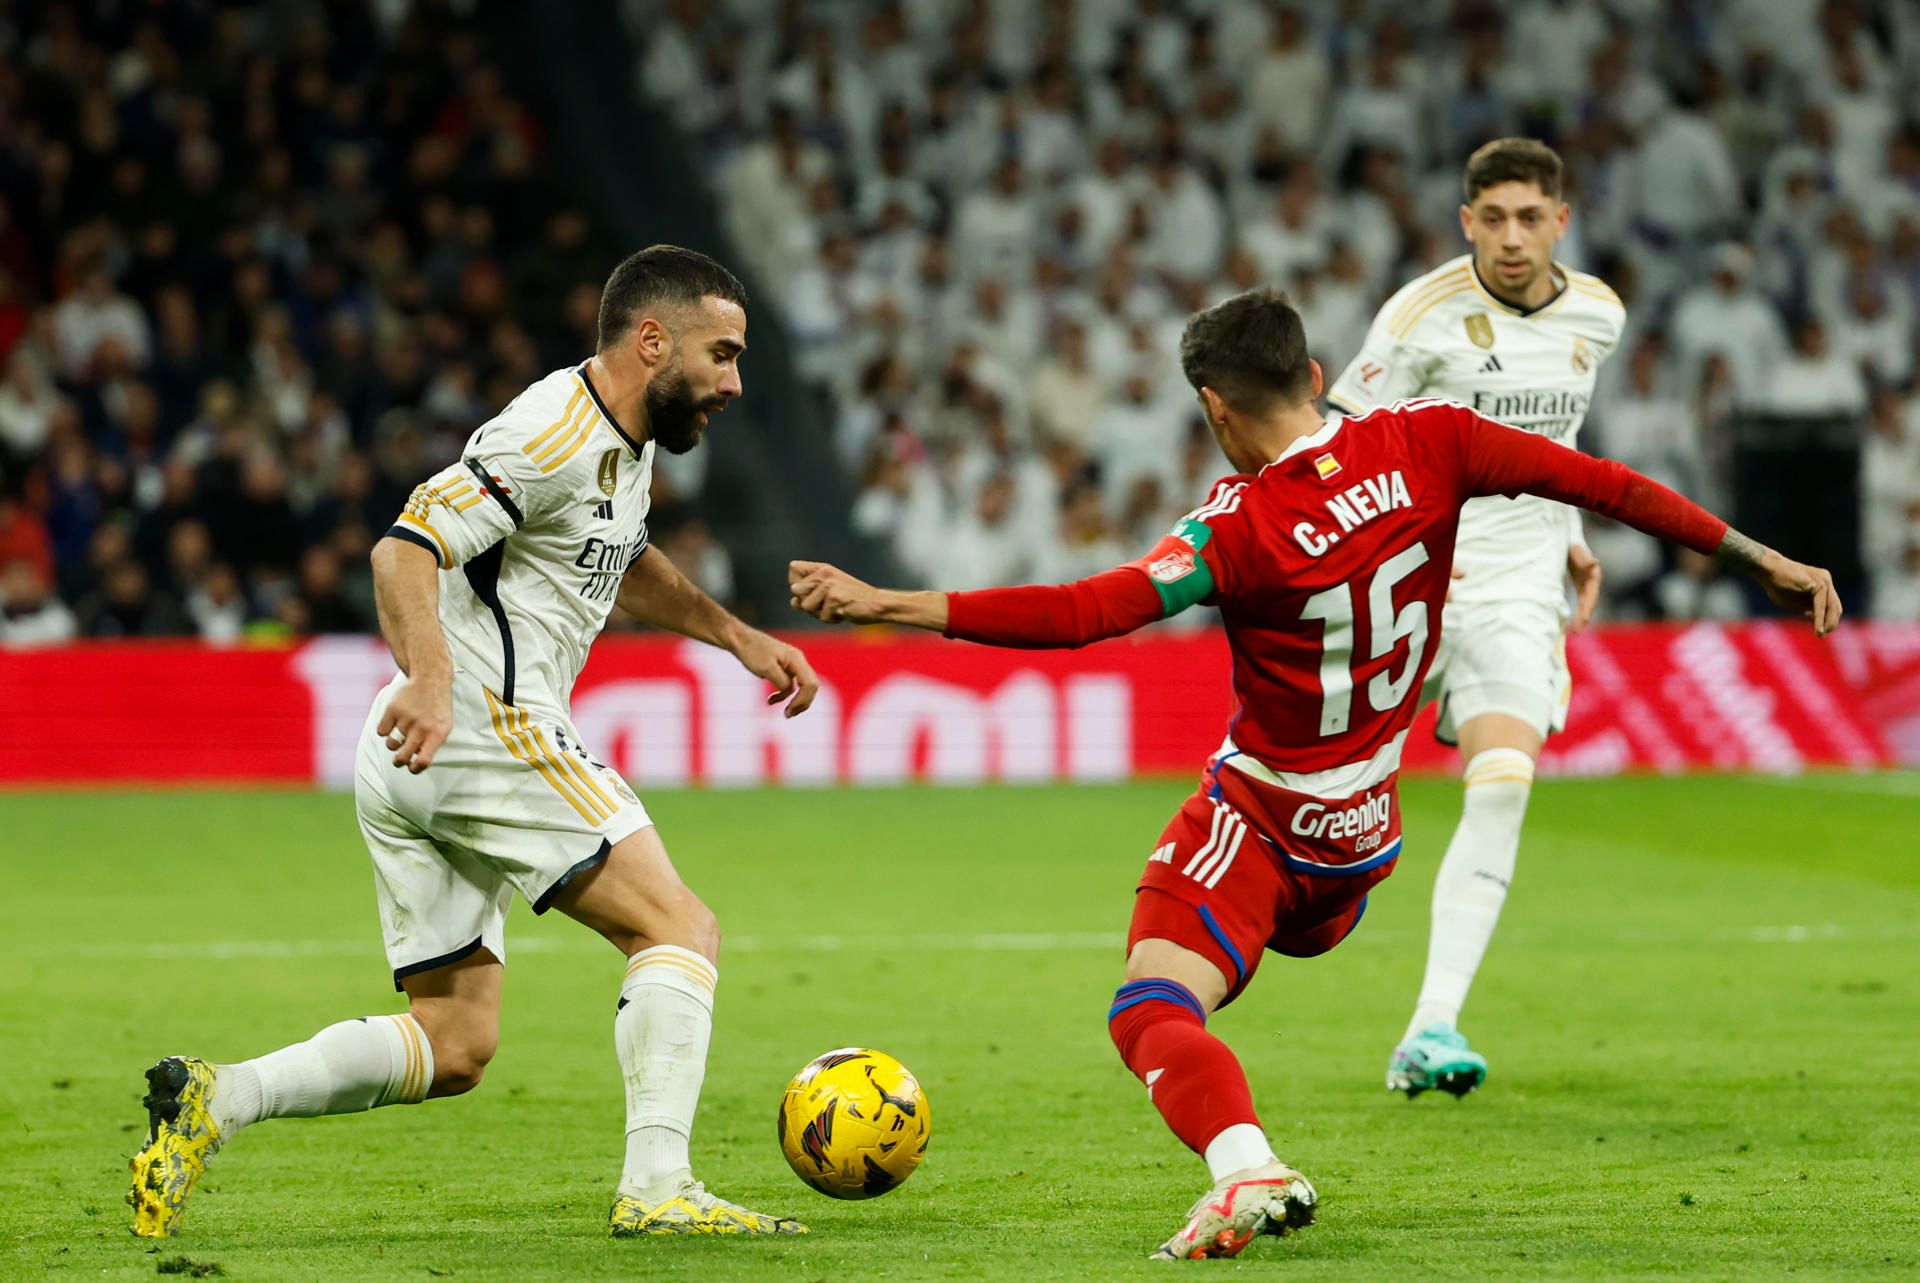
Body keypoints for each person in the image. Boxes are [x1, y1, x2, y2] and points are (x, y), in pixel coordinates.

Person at [789, 289, 1838, 1261]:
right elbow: (1604, 483)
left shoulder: (1238, 527)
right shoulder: (1435, 439)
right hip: (1364, 841)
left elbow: (1085, 611)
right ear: (1319, 373)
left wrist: (886, 604)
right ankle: (1250, 1158)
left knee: (1149, 1007)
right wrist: (1764, 560)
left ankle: (1247, 1167)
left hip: (1266, 823)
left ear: (1214, 406)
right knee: (1207, 962)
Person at [129, 246, 821, 1240]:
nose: (734, 382)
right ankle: (660, 1185)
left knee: (452, 1041)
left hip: (418, 751)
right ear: (652, 340)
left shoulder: (626, 440)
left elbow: (622, 557)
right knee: (678, 927)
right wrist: (431, 678)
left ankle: (220, 1095)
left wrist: (738, 636)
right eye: (723, 354)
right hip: (480, 720)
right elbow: (404, 547)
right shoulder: (550, 430)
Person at [1324, 138, 1626, 1097]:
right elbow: (1339, 439)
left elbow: (1556, 441)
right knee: (1316, 791)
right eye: (1492, 218)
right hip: (1412, 581)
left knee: (1502, 784)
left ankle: (1431, 1024)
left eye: (1530, 217)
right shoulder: (1419, 317)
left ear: (1561, 221)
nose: (1511, 237)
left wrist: (1569, 530)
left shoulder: (1598, 316)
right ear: (1466, 223)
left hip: (1518, 589)